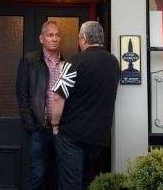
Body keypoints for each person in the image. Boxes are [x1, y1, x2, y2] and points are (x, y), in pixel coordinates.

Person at [50, 21, 120, 190]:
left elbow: (59, 96)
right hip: (99, 138)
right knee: (87, 182)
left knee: (70, 184)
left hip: (72, 136)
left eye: (80, 38)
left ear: (84, 39)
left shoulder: (75, 61)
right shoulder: (114, 63)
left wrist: (54, 125)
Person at [16, 20, 64, 190]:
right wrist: (32, 126)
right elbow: (22, 96)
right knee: (38, 174)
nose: (54, 38)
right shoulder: (30, 61)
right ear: (41, 38)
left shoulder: (66, 64)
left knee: (59, 174)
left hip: (61, 130)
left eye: (57, 35)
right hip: (39, 130)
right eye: (50, 35)